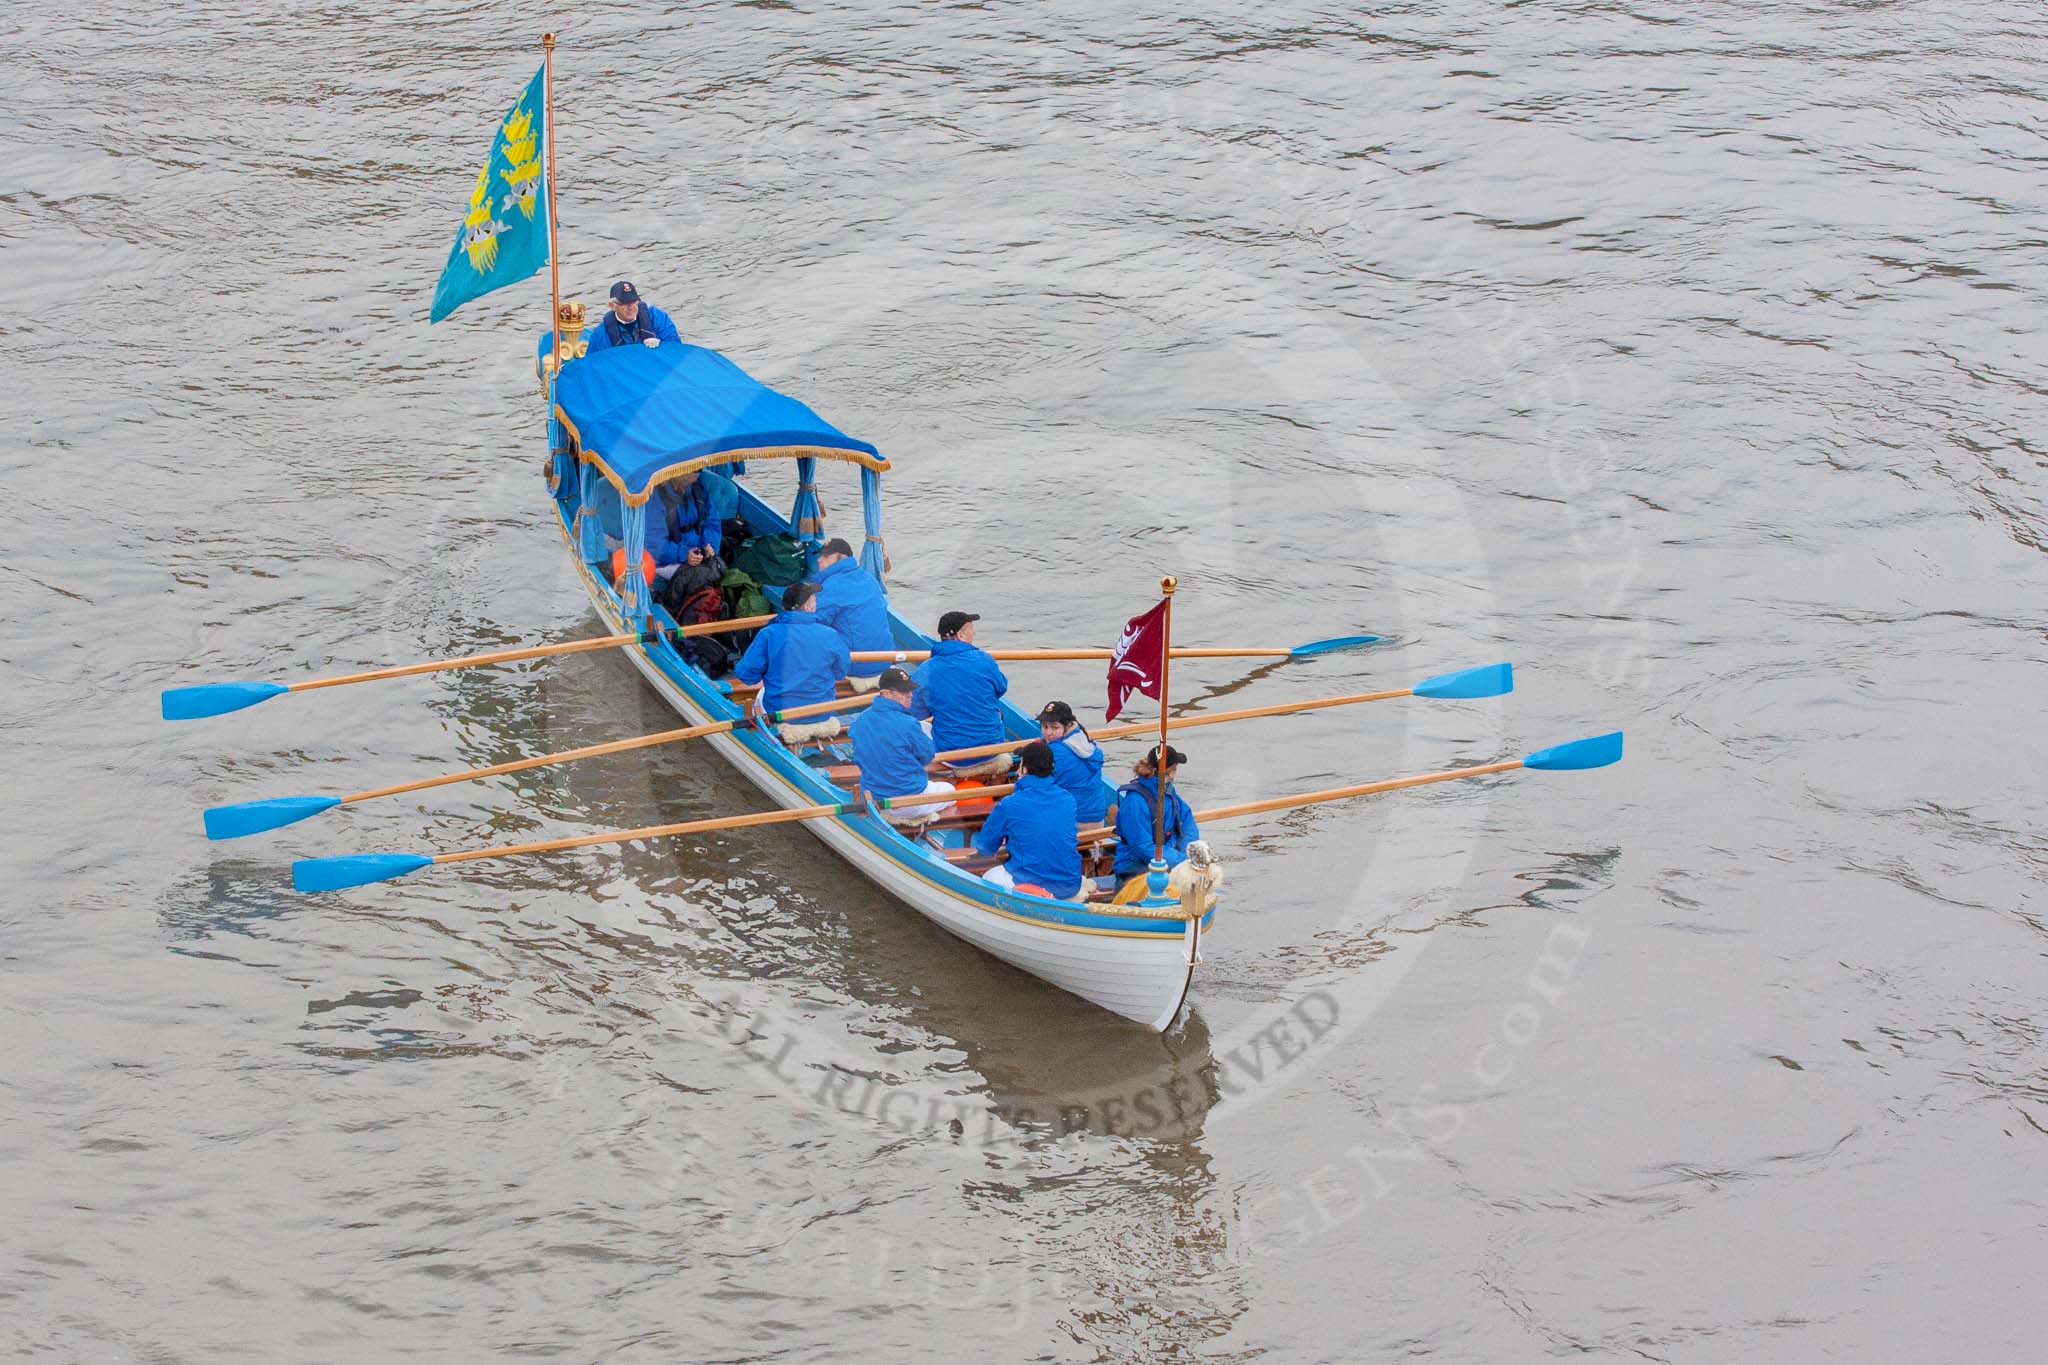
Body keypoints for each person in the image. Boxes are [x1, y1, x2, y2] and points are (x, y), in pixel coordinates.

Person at [731, 581, 850, 743]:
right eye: (815, 600)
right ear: (807, 607)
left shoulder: (768, 634)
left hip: (782, 712)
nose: (816, 604)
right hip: (822, 711)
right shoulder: (831, 634)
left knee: (760, 694)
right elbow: (841, 672)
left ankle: (766, 735)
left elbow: (747, 676)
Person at [972, 741, 1084, 900]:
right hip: (1070, 885)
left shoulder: (1010, 804)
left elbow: (987, 847)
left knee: (990, 876)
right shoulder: (1068, 799)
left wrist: (979, 854)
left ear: (1023, 769)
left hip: (1031, 883)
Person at [910, 611, 1013, 780]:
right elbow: (1001, 688)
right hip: (991, 750)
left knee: (913, 726)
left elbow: (915, 712)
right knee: (998, 712)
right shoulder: (985, 660)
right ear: (960, 635)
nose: (975, 634)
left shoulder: (926, 670)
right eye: (971, 630)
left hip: (954, 758)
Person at [846, 667, 953, 828]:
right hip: (909, 801)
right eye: (903, 692)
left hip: (874, 795)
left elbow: (858, 756)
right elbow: (927, 756)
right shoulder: (908, 723)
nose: (910, 695)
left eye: (909, 690)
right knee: (951, 791)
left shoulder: (859, 721)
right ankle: (940, 826)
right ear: (885, 693)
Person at [812, 537, 896, 692]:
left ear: (842, 557)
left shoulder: (830, 586)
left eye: (826, 555)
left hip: (856, 666)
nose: (819, 560)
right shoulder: (869, 579)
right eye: (820, 555)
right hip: (885, 659)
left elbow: (813, 625)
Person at [1111, 745, 1201, 887]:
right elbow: (1142, 846)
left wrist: (1188, 853)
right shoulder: (1134, 802)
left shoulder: (1169, 791)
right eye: (1173, 770)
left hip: (1169, 856)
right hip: (1134, 864)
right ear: (1162, 772)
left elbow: (1186, 821)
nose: (1174, 775)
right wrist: (1181, 862)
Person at [1035, 700, 1109, 824]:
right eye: (1044, 726)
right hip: (1097, 817)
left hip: (1072, 821)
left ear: (1068, 726)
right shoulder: (1083, 740)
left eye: (1055, 727)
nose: (1048, 732)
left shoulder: (1055, 752)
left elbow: (1037, 785)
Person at [583, 280, 681, 354]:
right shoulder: (601, 335)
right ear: (612, 306)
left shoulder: (658, 318)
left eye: (633, 301)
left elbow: (675, 349)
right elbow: (593, 365)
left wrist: (661, 346)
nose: (631, 307)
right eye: (624, 303)